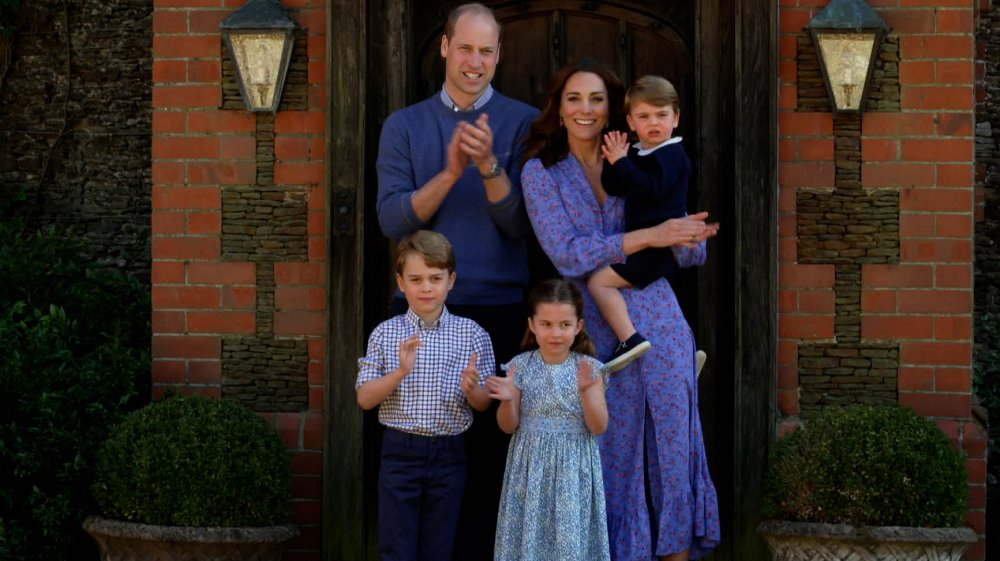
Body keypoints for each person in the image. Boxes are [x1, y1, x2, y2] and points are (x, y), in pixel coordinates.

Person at [519, 60, 722, 561]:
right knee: (610, 452)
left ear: (615, 111)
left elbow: (684, 246)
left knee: (674, 447)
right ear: (558, 109)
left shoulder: (641, 154)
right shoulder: (540, 171)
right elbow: (566, 253)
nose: (585, 109)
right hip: (590, 326)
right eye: (574, 99)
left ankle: (677, 552)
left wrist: (688, 236)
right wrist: (651, 236)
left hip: (658, 312)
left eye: (596, 99)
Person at [375, 4, 539, 556]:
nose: (475, 61)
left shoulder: (524, 123)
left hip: (496, 309)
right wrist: (449, 172)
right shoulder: (404, 125)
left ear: (499, 56)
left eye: (486, 51)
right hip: (420, 311)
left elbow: (521, 225)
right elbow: (393, 220)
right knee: (416, 458)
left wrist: (490, 166)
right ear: (444, 47)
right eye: (464, 48)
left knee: (489, 459)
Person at [355, 230, 494, 561]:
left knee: (439, 548)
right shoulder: (386, 333)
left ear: (451, 280)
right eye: (416, 279)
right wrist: (400, 372)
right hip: (400, 453)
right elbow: (364, 399)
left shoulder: (472, 334)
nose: (427, 287)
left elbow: (484, 403)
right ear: (401, 283)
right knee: (396, 547)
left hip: (449, 453)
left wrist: (473, 389)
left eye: (435, 278)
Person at [486, 279, 610, 561]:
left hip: (573, 468)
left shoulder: (589, 369)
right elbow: (507, 426)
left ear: (578, 326)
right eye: (546, 324)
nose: (556, 333)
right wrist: (507, 399)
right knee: (530, 539)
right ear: (532, 324)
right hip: (530, 468)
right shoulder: (520, 366)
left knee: (569, 542)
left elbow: (599, 427)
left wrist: (588, 392)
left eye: (565, 325)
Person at [589, 75, 692, 373]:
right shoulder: (640, 152)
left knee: (599, 281)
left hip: (657, 248)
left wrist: (623, 162)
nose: (654, 123)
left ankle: (629, 339)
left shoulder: (672, 154)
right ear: (631, 123)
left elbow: (650, 190)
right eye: (644, 116)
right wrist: (614, 160)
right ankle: (678, 355)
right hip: (643, 244)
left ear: (676, 117)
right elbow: (615, 186)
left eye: (662, 115)